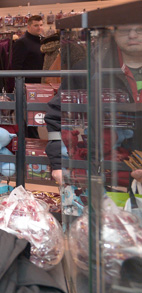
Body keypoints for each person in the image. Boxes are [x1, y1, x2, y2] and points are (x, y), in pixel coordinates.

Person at [46, 24, 142, 185]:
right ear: (114, 33)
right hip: (102, 174)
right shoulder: (88, 70)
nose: (132, 35)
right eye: (125, 30)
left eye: (139, 29)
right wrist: (59, 163)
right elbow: (57, 116)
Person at [11, 14, 45, 82]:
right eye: (36, 25)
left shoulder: (43, 41)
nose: (39, 28)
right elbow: (16, 67)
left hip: (43, 82)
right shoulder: (21, 43)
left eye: (41, 25)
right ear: (28, 27)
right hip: (29, 85)